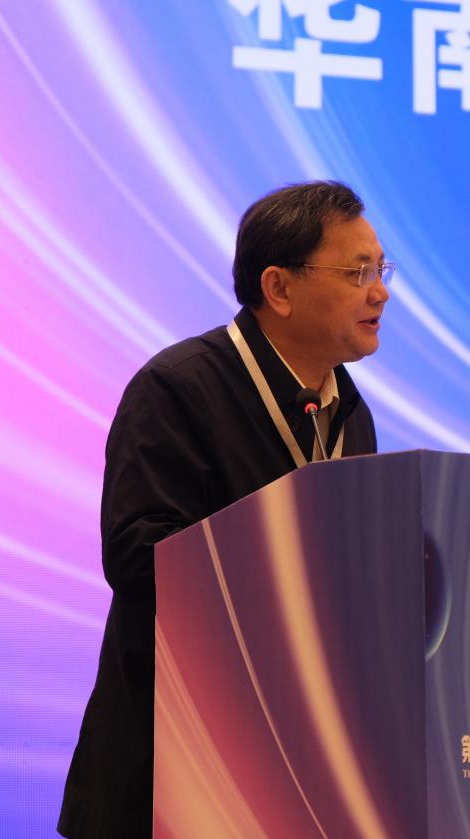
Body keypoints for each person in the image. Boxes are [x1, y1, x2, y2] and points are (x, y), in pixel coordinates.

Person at [57, 181, 392, 838]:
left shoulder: (351, 414)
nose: (379, 292)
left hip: (290, 778)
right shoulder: (178, 389)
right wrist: (293, 563)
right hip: (170, 774)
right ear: (279, 287)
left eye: (381, 272)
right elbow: (139, 558)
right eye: (358, 273)